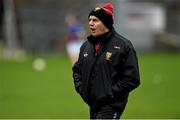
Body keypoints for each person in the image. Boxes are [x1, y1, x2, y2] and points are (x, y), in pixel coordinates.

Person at [72, 3, 140, 119]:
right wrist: (82, 89)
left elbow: (132, 79)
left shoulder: (123, 46)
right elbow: (77, 70)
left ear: (106, 23)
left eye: (95, 20)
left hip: (112, 104)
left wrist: (109, 93)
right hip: (93, 104)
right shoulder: (86, 46)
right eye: (90, 20)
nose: (91, 23)